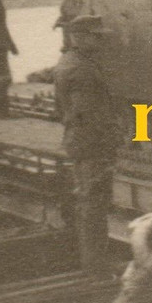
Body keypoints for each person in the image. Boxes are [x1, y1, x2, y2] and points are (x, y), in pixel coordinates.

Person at [53, 15, 122, 278]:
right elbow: (90, 114)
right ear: (79, 38)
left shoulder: (69, 63)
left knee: (90, 202)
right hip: (92, 144)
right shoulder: (80, 70)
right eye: (96, 36)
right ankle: (96, 265)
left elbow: (63, 110)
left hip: (81, 141)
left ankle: (93, 261)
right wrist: (112, 139)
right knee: (94, 204)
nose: (101, 40)